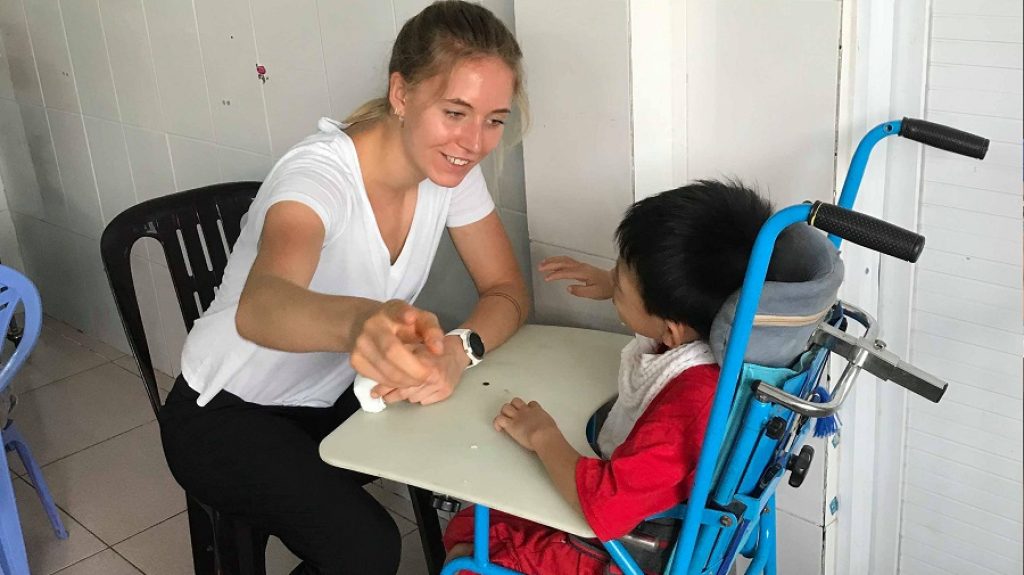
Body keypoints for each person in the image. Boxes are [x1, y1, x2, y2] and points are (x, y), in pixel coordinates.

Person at [157, 2, 529, 574]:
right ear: (402, 95)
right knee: (367, 548)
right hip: (225, 412)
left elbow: (506, 289)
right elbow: (262, 307)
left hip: (325, 399)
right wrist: (364, 323)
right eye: (456, 111)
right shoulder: (318, 174)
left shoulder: (451, 172)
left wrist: (459, 350)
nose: (475, 141)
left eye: (494, 119)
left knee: (471, 448)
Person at [443, 180, 774, 574]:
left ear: (671, 330)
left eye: (620, 284)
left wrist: (542, 435)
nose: (613, 280)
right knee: (477, 520)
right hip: (662, 517)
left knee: (469, 555)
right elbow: (667, 318)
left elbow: (606, 505)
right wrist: (613, 285)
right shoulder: (722, 338)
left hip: (635, 550)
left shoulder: (690, 403)